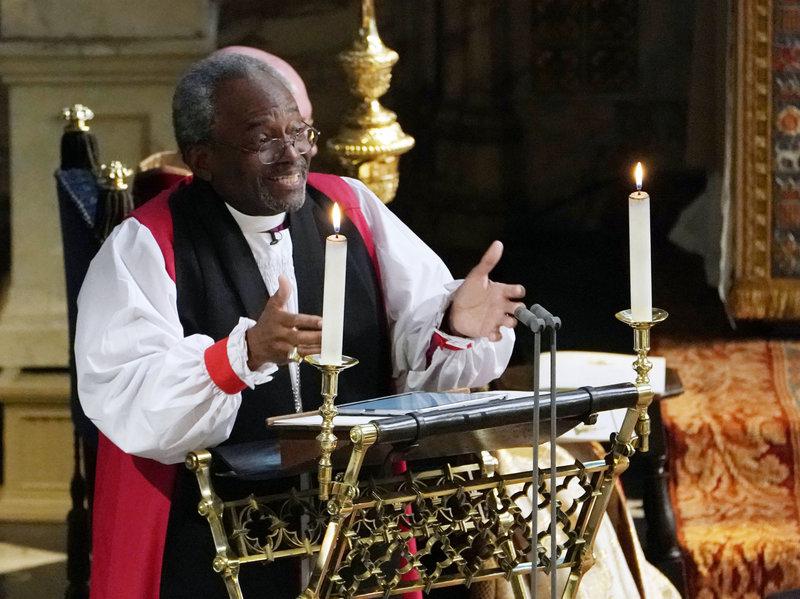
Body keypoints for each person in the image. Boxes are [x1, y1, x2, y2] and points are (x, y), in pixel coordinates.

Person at [75, 52, 525, 599]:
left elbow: (413, 348)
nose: (292, 153)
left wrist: (455, 323)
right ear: (203, 158)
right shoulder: (146, 244)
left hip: (355, 523)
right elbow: (128, 395)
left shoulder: (350, 207)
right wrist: (242, 355)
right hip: (212, 538)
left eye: (299, 131)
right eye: (262, 138)